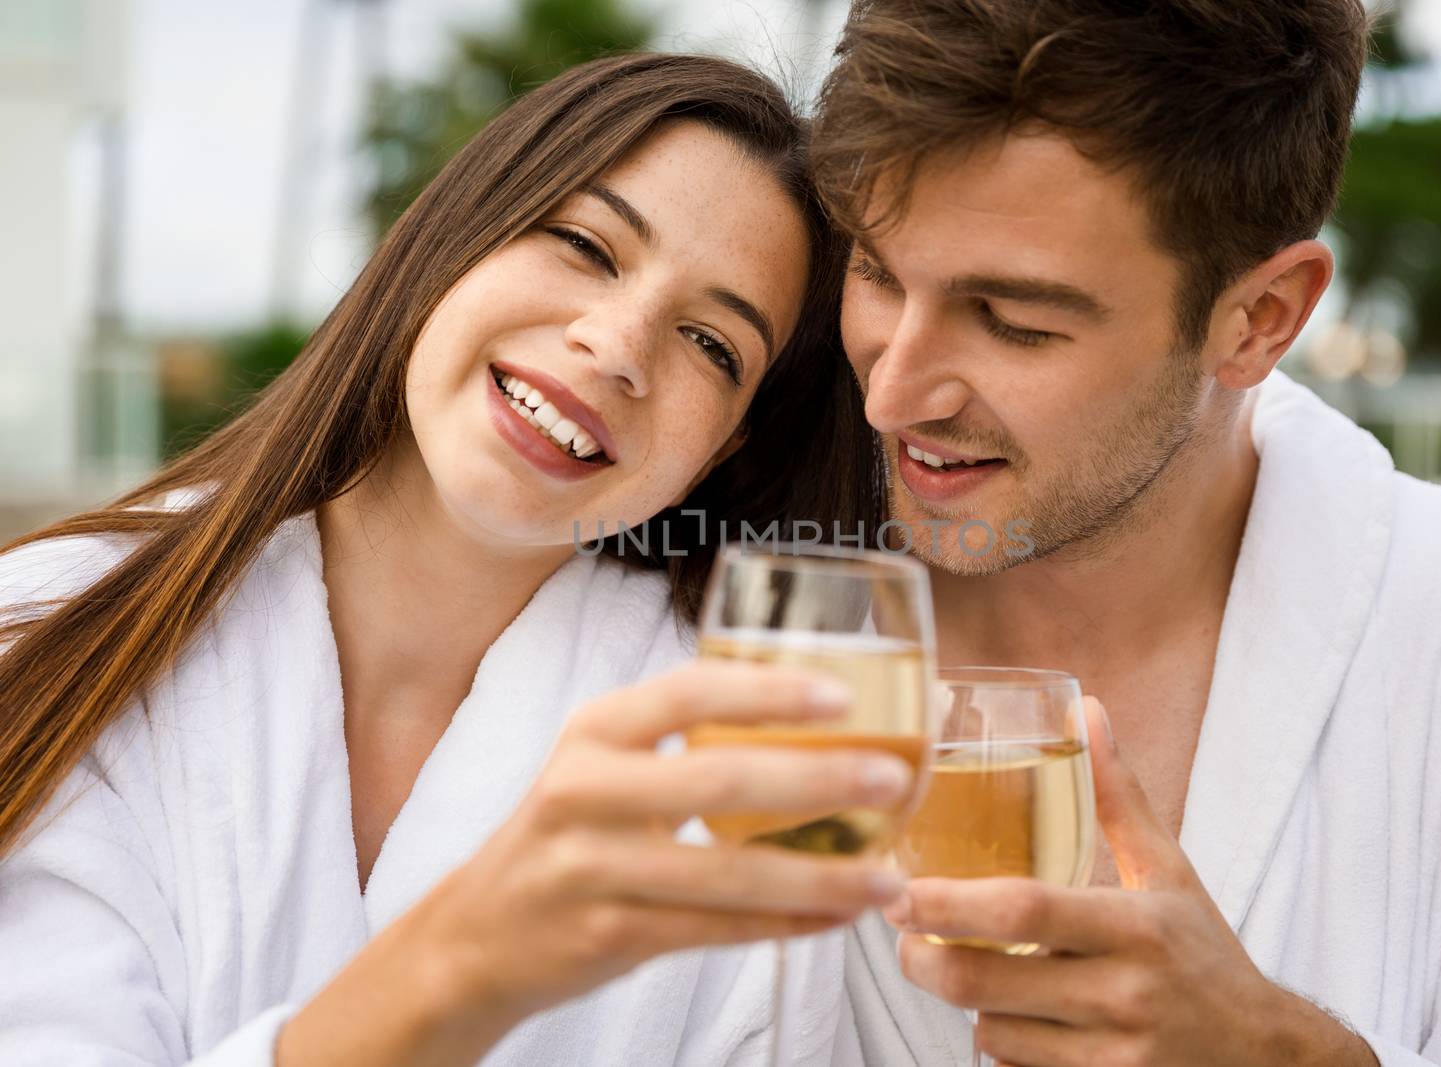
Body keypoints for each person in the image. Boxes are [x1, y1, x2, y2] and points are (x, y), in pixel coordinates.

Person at [0, 53, 915, 1066]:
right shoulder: (50, 627)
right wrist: (465, 964)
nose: (617, 343)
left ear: (728, 444)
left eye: (709, 342)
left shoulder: (746, 760)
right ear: (457, 239)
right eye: (583, 243)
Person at [809, 2, 1441, 1065]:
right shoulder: (723, 574)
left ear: (1260, 318)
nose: (892, 393)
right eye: (874, 272)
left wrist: (1273, 1051)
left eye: (1014, 321)